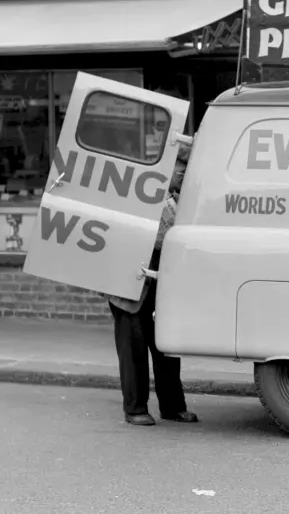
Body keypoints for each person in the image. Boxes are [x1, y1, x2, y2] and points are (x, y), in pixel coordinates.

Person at [107, 146, 198, 426]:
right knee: (133, 349)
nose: (185, 176)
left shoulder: (178, 198)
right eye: (181, 170)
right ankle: (135, 409)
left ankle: (172, 406)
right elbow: (162, 237)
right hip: (129, 284)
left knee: (167, 349)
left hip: (162, 283)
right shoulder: (137, 194)